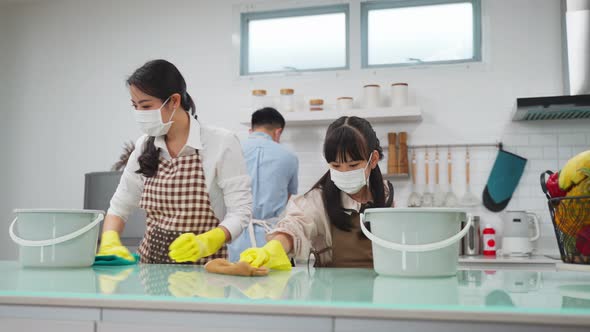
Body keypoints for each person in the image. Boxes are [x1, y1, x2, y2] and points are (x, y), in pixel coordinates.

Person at [96, 59, 252, 264]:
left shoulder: (221, 143)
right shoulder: (144, 146)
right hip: (150, 273)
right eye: (135, 106)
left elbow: (240, 212)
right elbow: (119, 206)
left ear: (174, 101)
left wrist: (210, 240)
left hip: (205, 273)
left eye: (146, 106)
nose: (140, 114)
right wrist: (109, 239)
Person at [240, 116, 394, 270]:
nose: (344, 172)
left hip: (379, 287)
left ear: (373, 160)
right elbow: (296, 225)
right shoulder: (318, 199)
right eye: (336, 166)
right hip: (332, 290)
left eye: (353, 165)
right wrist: (274, 248)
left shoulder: (386, 195)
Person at [228, 108, 299, 261]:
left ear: (250, 130)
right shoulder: (290, 158)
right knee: (274, 284)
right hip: (272, 241)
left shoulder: (232, 151)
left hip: (233, 236)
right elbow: (287, 198)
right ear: (278, 132)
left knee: (232, 282)